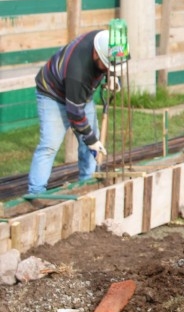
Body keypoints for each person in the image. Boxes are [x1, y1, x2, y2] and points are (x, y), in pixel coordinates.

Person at [28, 29, 122, 195]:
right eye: (106, 65)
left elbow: (113, 60)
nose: (108, 68)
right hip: (52, 93)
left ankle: (88, 186)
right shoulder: (78, 71)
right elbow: (75, 113)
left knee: (91, 146)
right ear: (96, 55)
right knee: (49, 146)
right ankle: (36, 194)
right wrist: (90, 138)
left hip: (80, 95)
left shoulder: (105, 41)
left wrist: (112, 75)